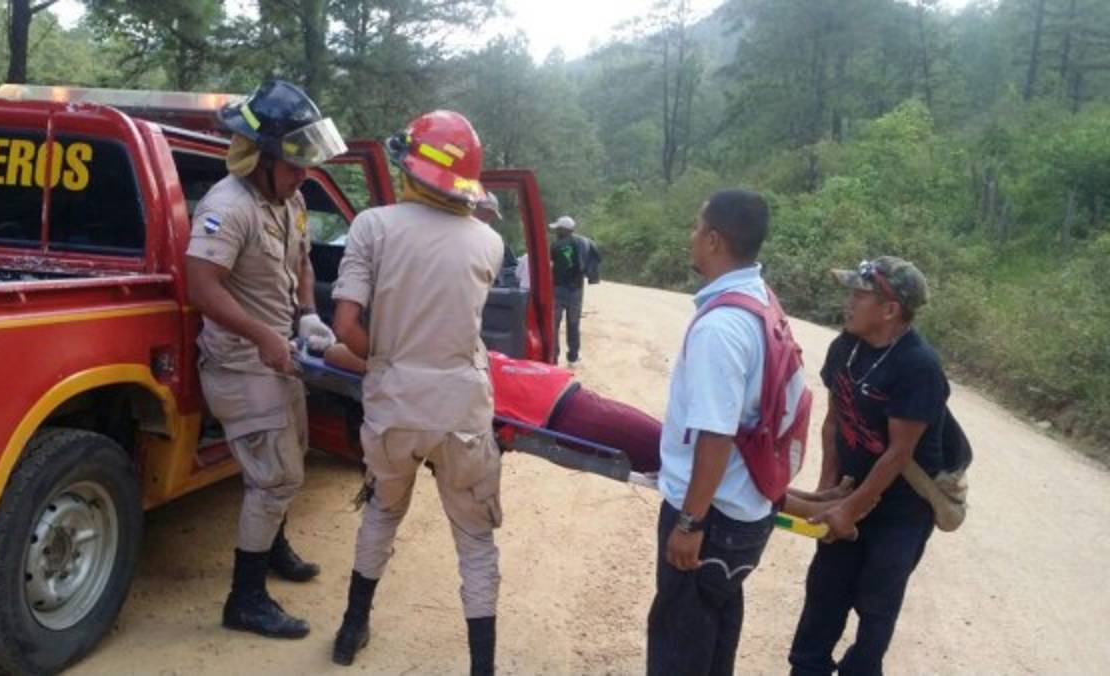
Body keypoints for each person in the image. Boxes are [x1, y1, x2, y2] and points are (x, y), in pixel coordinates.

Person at [329, 110, 504, 674]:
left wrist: (383, 364)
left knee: (381, 512)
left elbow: (346, 327)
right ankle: (482, 667)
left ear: (411, 165)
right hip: (463, 413)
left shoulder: (372, 226)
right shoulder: (490, 242)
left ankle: (351, 629)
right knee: (475, 541)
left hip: (394, 411)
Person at [185, 80, 347, 639]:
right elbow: (202, 287)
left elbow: (301, 261)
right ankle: (245, 599)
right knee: (275, 476)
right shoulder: (226, 207)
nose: (305, 174)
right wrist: (261, 334)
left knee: (289, 456)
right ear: (261, 158)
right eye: (295, 164)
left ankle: (273, 548)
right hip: (240, 362)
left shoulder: (290, 200)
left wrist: (306, 313)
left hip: (278, 354)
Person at [647, 190, 808, 675]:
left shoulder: (722, 327)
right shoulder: (762, 301)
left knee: (679, 647)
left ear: (714, 240)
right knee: (714, 638)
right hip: (745, 512)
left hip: (713, 519)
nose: (691, 237)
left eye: (697, 228)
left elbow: (715, 437)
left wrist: (689, 523)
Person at [789, 257, 949, 676]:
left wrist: (851, 510)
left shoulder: (919, 367)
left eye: (859, 294)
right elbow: (834, 420)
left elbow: (898, 454)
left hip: (902, 512)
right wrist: (828, 491)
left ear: (890, 309)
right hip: (851, 487)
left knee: (876, 606)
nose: (849, 302)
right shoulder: (846, 346)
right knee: (824, 593)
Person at [321, 343, 662, 473]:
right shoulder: (399, 360)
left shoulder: (411, 340)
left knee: (664, 444)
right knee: (662, 448)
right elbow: (336, 355)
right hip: (549, 408)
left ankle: (705, 467)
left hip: (549, 394)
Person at [549, 215, 600, 366]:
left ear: (564, 230)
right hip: (576, 291)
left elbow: (549, 266)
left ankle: (554, 358)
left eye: (558, 229)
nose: (556, 231)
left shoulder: (555, 246)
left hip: (557, 289)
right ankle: (572, 357)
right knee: (573, 324)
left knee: (554, 325)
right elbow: (596, 256)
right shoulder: (583, 243)